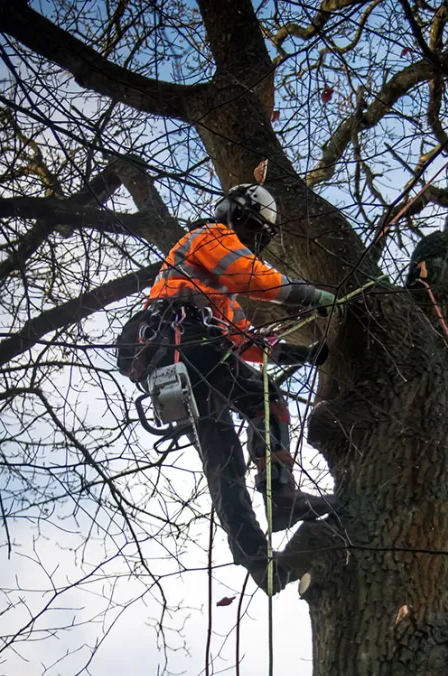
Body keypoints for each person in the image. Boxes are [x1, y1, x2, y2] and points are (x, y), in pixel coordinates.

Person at [117, 183, 336, 584]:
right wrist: (315, 296)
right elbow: (259, 281)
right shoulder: (211, 236)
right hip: (190, 343)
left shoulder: (211, 292)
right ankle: (280, 493)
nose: (252, 243)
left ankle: (257, 562)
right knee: (264, 396)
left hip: (186, 362)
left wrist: (302, 355)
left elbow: (246, 342)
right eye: (253, 231)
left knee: (224, 464)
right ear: (239, 216)